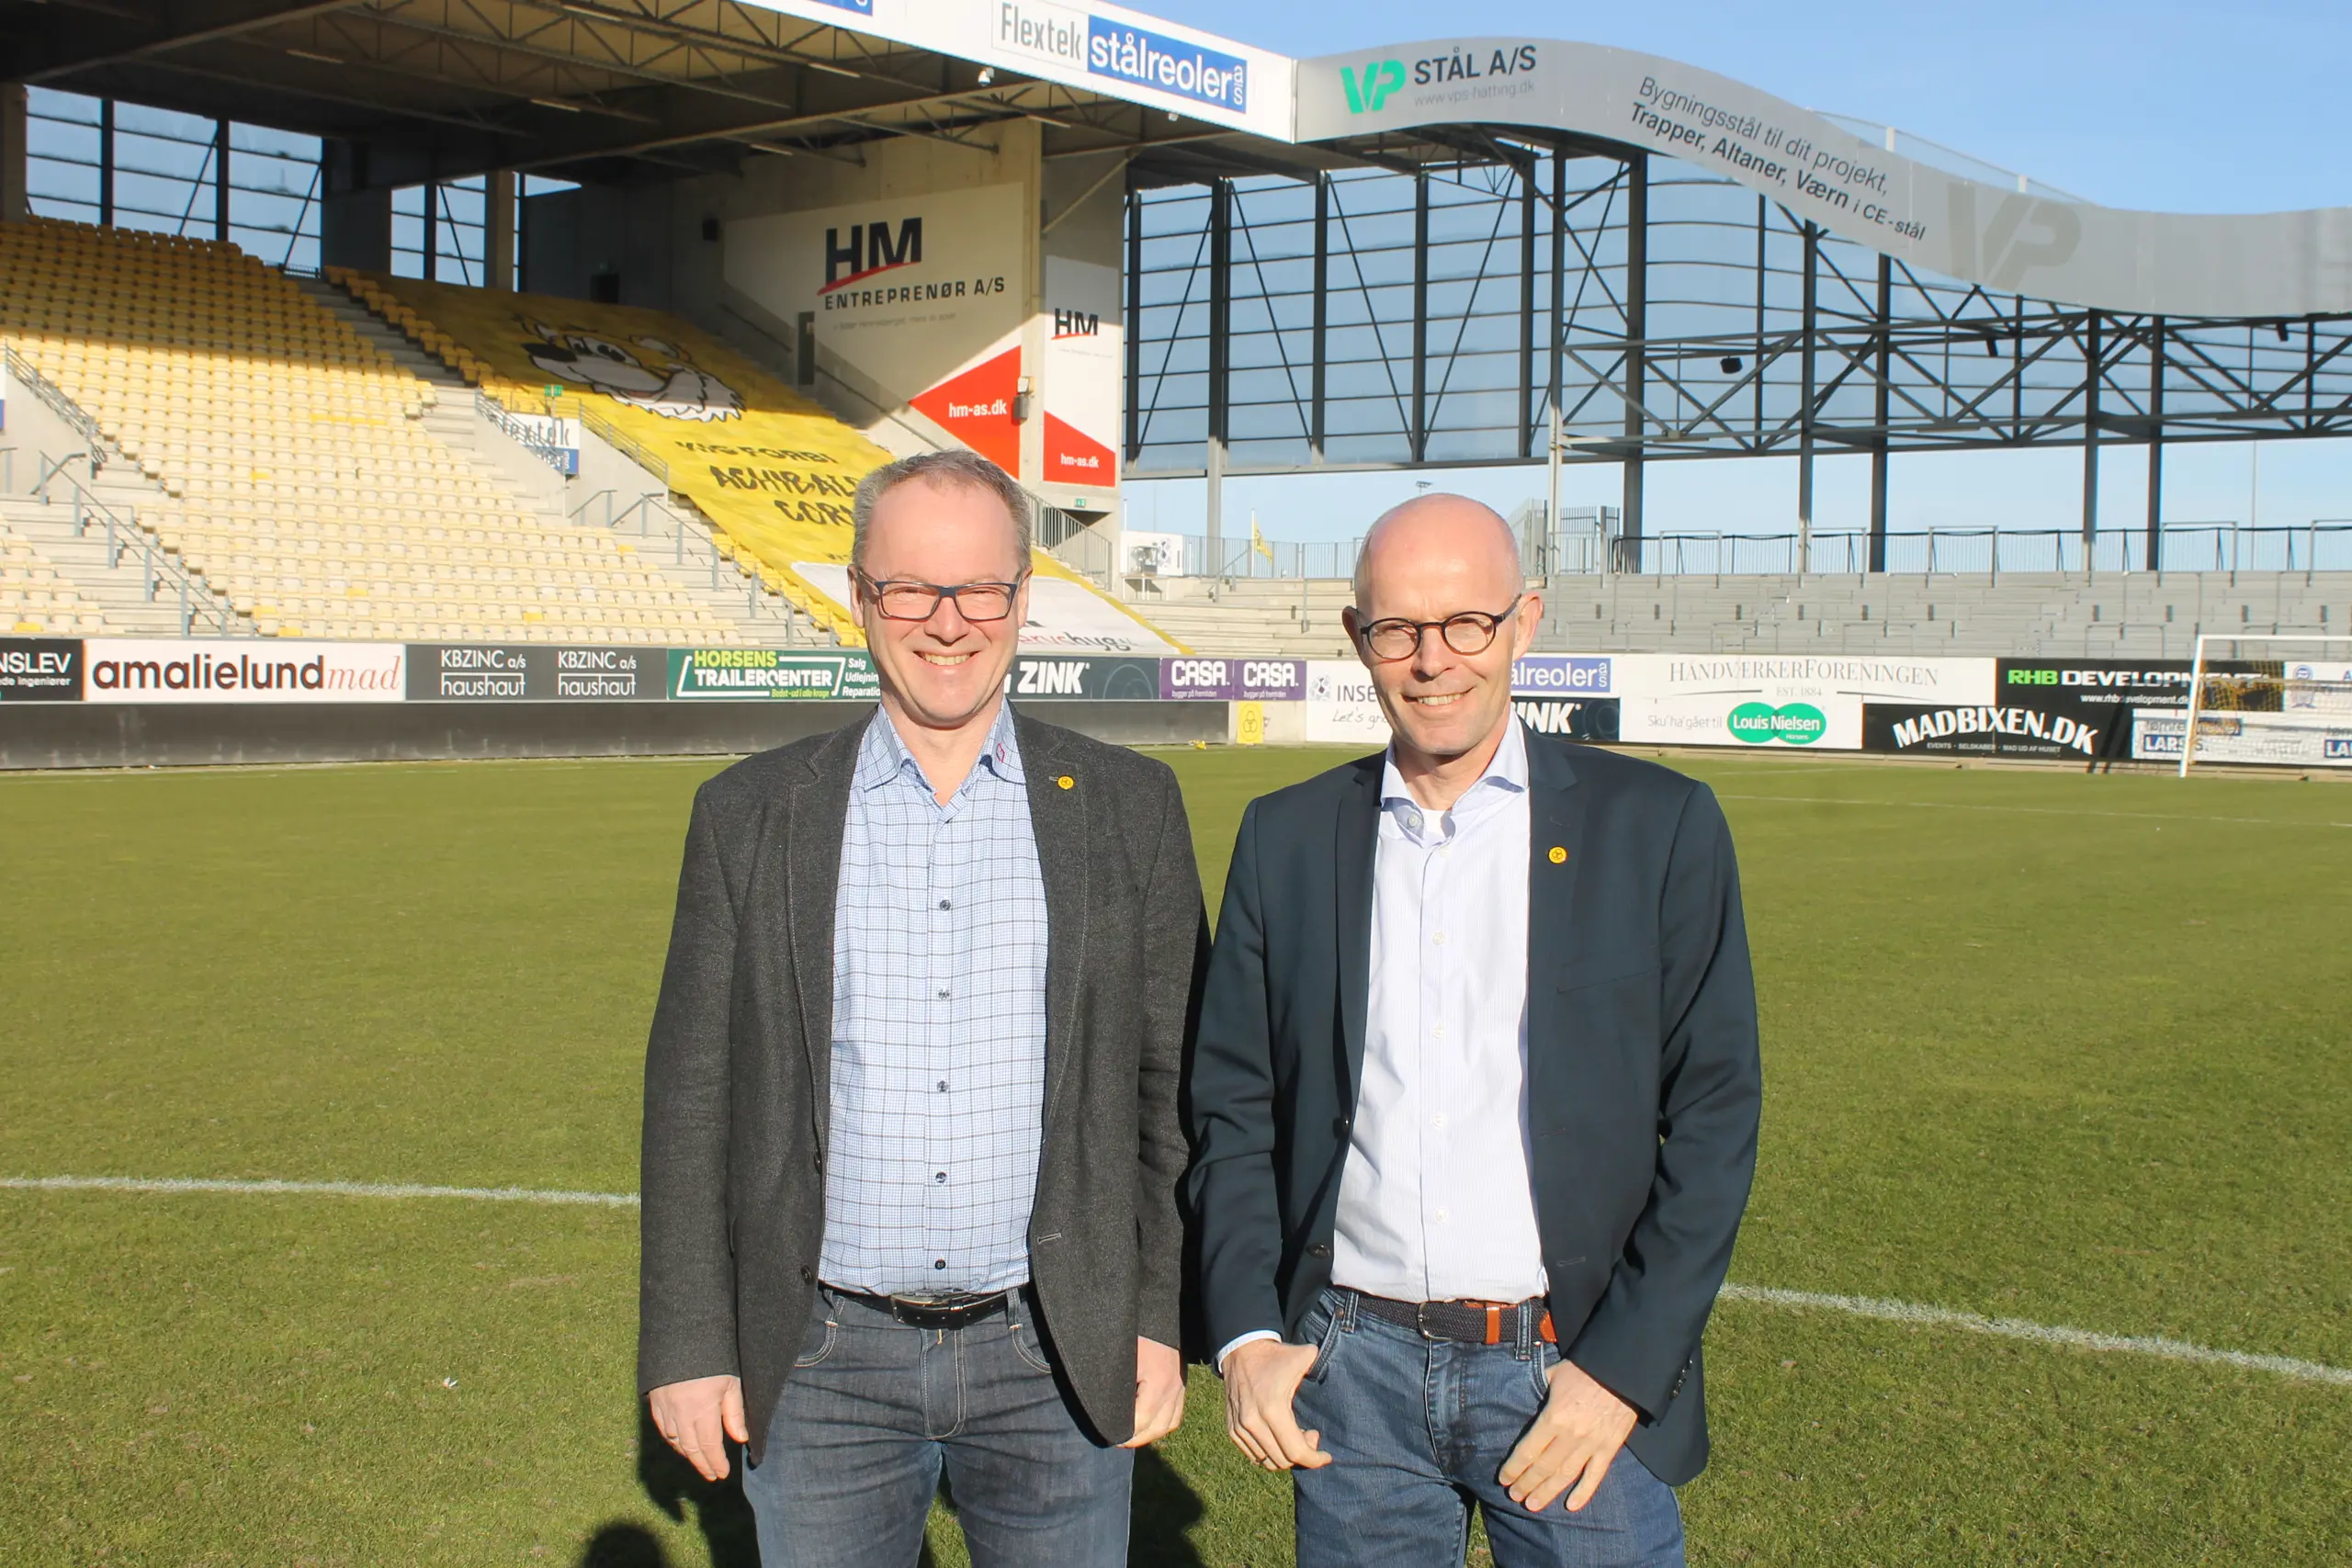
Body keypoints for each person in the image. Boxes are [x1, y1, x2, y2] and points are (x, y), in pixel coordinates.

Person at [638, 448, 1203, 1568]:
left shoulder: (1131, 806)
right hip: (820, 1359)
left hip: (1055, 1350)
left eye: (980, 589)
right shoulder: (749, 812)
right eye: (910, 589)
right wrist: (689, 1341)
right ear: (859, 597)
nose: (948, 622)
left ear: (1022, 599)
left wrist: (1154, 1314)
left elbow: (1168, 1094)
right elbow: (693, 1097)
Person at [1187, 494, 1761, 1568]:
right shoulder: (1285, 836)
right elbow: (1231, 1106)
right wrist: (1247, 1335)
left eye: (1465, 623)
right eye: (1397, 628)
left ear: (1523, 621)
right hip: (1348, 1379)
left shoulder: (1657, 825)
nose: (1432, 660)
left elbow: (1716, 1116)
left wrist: (1621, 1372)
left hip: (1567, 1374)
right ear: (1357, 636)